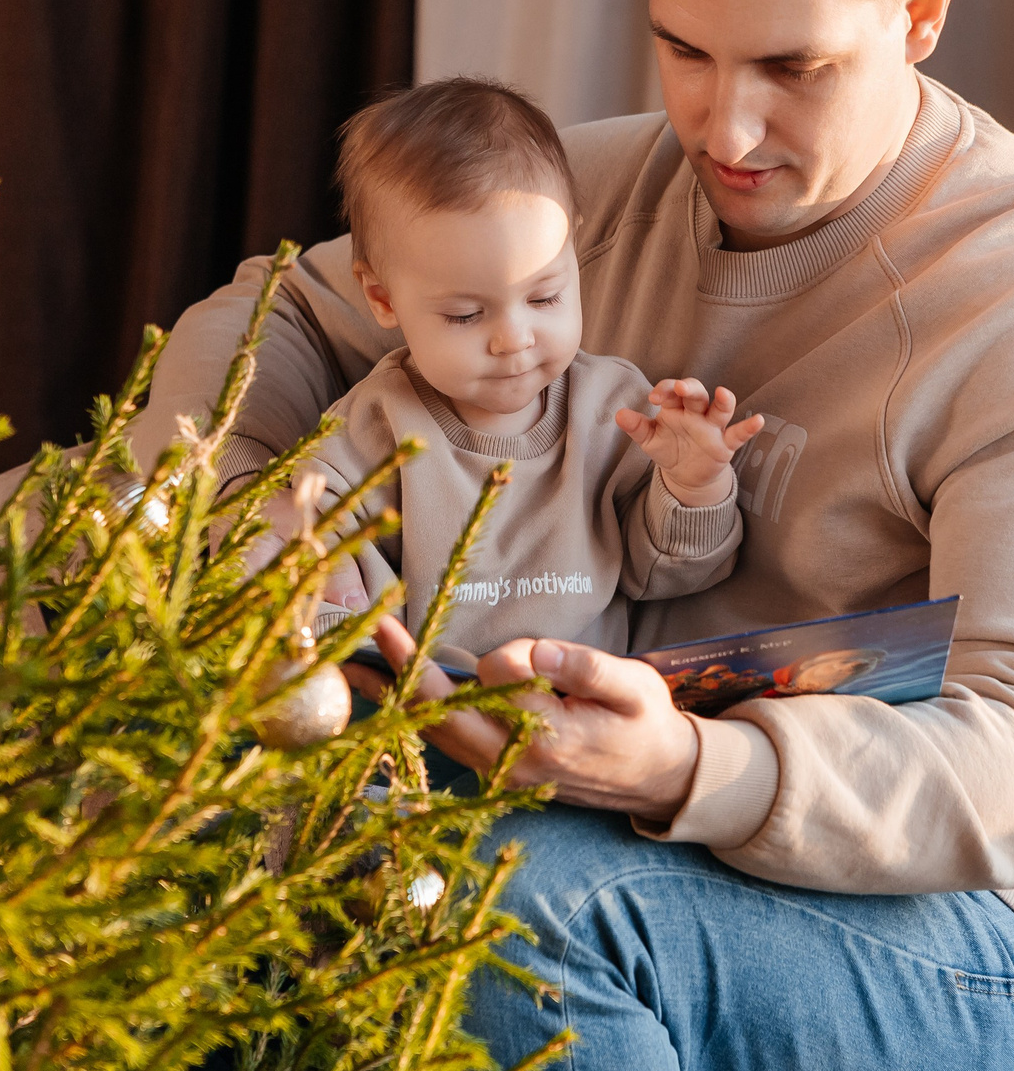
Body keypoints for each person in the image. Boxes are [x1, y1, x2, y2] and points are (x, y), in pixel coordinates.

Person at [134, 0, 1014, 1071]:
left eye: (795, 65)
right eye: (685, 51)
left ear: (924, 5)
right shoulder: (597, 191)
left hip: (987, 930)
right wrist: (239, 523)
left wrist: (696, 762)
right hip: (589, 798)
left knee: (491, 905)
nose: (726, 127)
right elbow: (264, 312)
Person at [282, 75, 764, 659]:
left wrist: (693, 485)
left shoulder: (616, 409)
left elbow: (665, 573)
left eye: (544, 298)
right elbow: (316, 586)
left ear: (573, 256)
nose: (514, 340)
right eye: (465, 315)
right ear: (382, 298)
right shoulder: (371, 433)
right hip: (427, 720)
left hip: (586, 720)